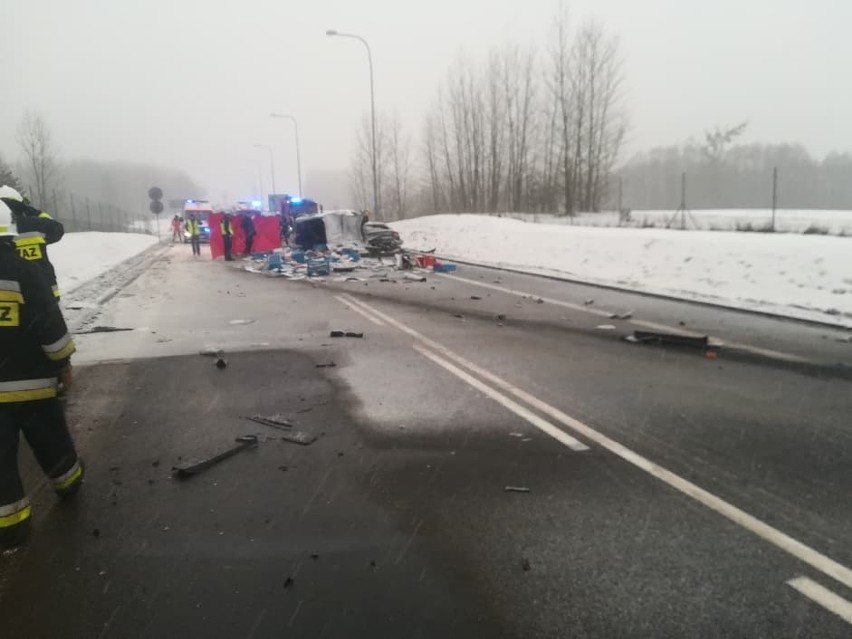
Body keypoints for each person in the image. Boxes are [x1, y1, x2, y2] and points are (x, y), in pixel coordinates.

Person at [0, 202, 83, 549]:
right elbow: (49, 324)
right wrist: (62, 363)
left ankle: (10, 527)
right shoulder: (22, 269)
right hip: (33, 385)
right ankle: (67, 481)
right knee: (51, 439)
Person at [0, 186, 64, 300]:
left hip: (9, 295)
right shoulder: (36, 224)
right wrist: (35, 212)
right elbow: (57, 229)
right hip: (44, 292)